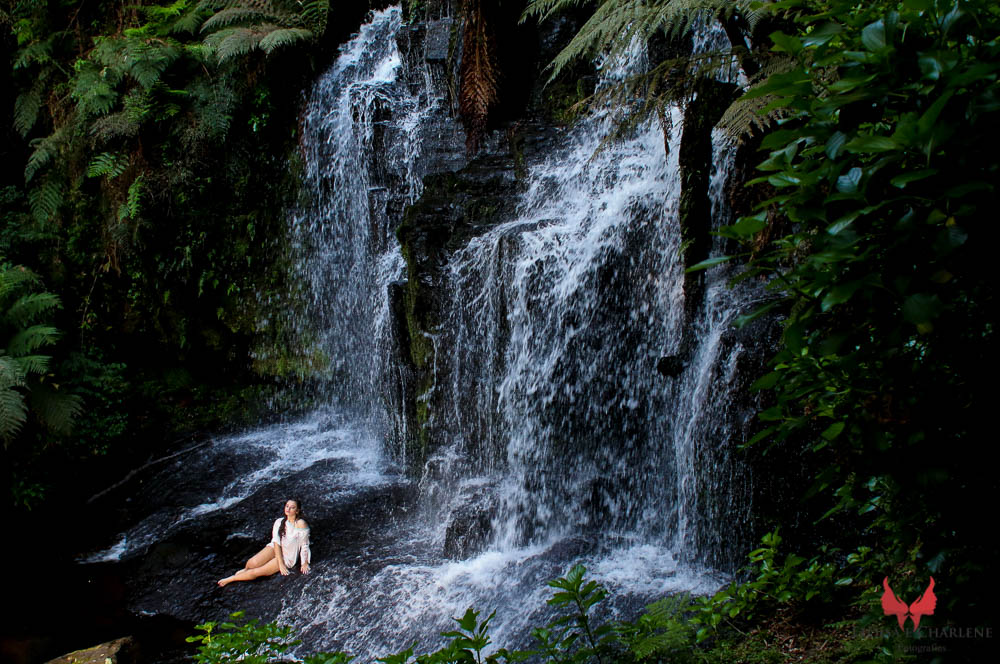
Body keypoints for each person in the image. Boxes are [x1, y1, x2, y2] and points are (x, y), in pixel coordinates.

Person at [217, 499, 311, 587]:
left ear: (297, 511)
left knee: (256, 572)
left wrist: (304, 562)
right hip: (276, 548)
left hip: (287, 556)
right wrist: (279, 561)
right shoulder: (279, 522)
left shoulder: (301, 524)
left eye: (292, 507)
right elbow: (276, 542)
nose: (288, 509)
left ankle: (232, 578)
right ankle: (245, 570)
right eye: (287, 506)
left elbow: (304, 544)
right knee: (252, 563)